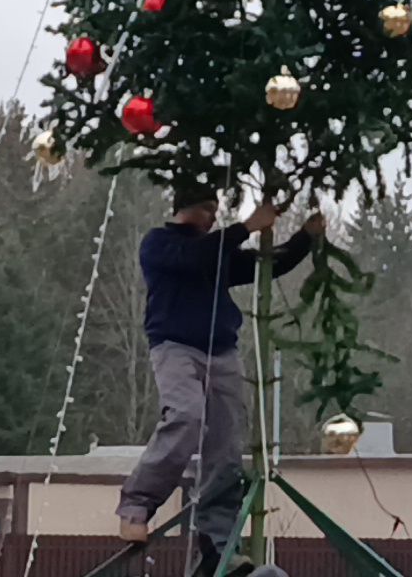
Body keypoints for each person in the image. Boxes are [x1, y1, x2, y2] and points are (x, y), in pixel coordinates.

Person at [116, 182, 322, 554]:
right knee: (185, 415)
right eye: (207, 209)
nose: (213, 217)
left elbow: (267, 264)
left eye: (215, 210)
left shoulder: (217, 250)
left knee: (226, 443)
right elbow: (195, 258)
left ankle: (216, 531)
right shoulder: (160, 244)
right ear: (186, 208)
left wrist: (304, 238)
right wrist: (247, 226)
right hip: (175, 348)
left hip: (222, 353)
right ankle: (137, 506)